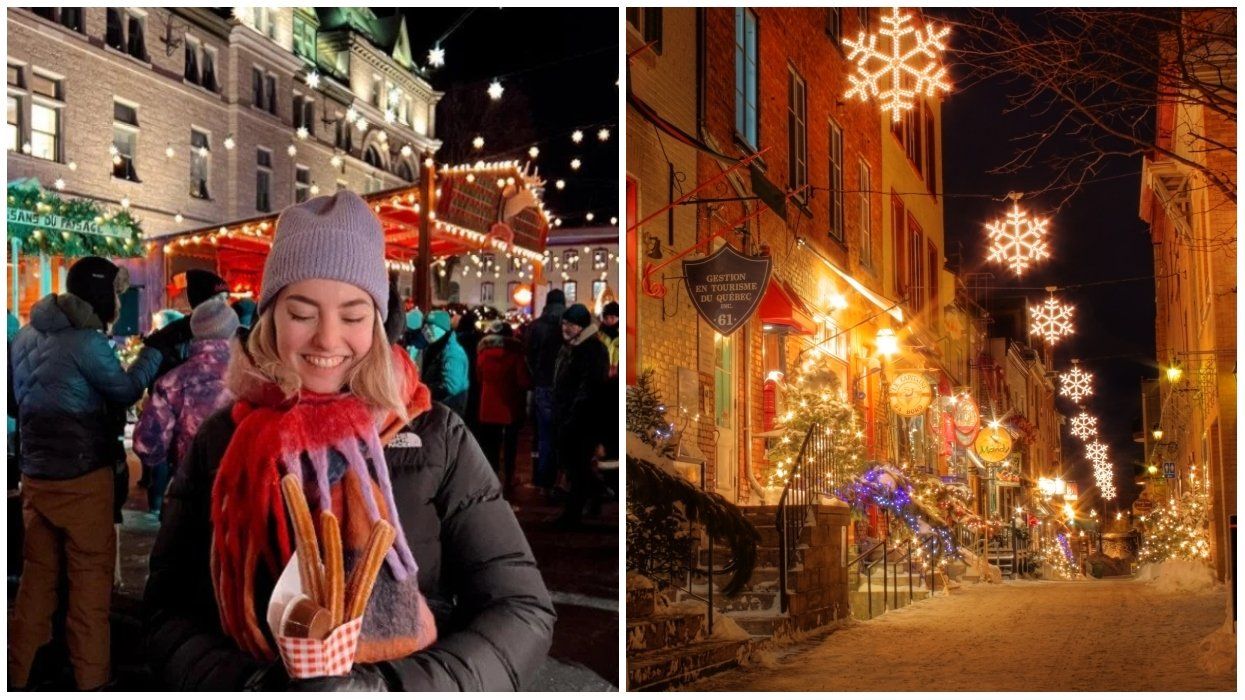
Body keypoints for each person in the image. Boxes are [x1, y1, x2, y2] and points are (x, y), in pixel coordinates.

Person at [144, 190, 553, 691]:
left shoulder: (435, 435)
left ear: (378, 325)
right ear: (272, 318)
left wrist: (392, 689)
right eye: (302, 312)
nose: (327, 339)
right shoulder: (222, 439)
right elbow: (169, 609)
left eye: (354, 315)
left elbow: (520, 608)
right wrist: (254, 686)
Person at [9, 256, 163, 690]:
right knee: (89, 593)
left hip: (37, 479)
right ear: (100, 296)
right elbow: (126, 390)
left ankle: (16, 679)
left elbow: (12, 403)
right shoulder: (87, 343)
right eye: (114, 293)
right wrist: (153, 354)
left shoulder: (22, 337)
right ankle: (92, 685)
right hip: (83, 480)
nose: (117, 302)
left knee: (35, 586)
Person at [132, 298, 238, 518]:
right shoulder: (257, 379)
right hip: (245, 499)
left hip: (189, 496)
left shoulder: (172, 382)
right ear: (234, 330)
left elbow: (147, 445)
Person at [551, 303, 609, 528]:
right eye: (564, 323)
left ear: (582, 326)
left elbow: (590, 385)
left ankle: (573, 513)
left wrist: (575, 412)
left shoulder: (592, 349)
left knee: (576, 464)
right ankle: (595, 494)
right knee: (573, 463)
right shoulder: (570, 346)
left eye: (571, 324)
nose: (566, 328)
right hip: (568, 413)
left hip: (583, 416)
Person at [474, 321, 531, 497]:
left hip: (488, 406)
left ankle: (492, 476)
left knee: (491, 444)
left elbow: (479, 377)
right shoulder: (515, 354)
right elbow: (523, 381)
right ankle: (509, 478)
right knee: (510, 445)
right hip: (510, 406)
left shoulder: (482, 354)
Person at [525, 289, 565, 493]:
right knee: (563, 433)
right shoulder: (566, 326)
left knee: (543, 434)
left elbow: (528, 355)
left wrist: (537, 375)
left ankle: (542, 480)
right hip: (564, 386)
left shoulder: (536, 326)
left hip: (542, 384)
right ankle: (561, 479)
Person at [419, 309, 469, 418]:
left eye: (431, 327)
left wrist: (422, 390)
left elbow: (451, 387)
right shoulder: (434, 347)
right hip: (437, 408)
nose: (427, 331)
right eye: (425, 327)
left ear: (443, 329)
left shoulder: (453, 352)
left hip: (449, 410)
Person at [456, 308, 484, 434]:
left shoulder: (456, 339)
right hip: (475, 375)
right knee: (474, 405)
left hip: (462, 375)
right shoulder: (479, 339)